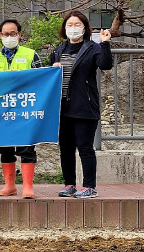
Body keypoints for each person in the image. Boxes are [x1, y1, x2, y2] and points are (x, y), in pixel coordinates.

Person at [0, 19, 44, 199]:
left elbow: (41, 79)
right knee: (5, 147)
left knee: (27, 147)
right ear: (0, 36)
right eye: (5, 34)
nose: (9, 37)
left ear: (20, 35)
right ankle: (10, 186)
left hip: (24, 107)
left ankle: (28, 187)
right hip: (2, 108)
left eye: (13, 33)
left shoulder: (31, 54)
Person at [50, 10, 112, 198]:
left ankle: (89, 186)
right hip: (63, 106)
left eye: (77, 25)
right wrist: (53, 67)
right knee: (66, 148)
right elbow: (49, 76)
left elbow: (105, 64)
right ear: (64, 28)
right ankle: (69, 184)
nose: (73, 28)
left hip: (84, 105)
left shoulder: (92, 47)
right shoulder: (58, 50)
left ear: (85, 28)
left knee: (85, 147)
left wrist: (106, 43)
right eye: (70, 25)